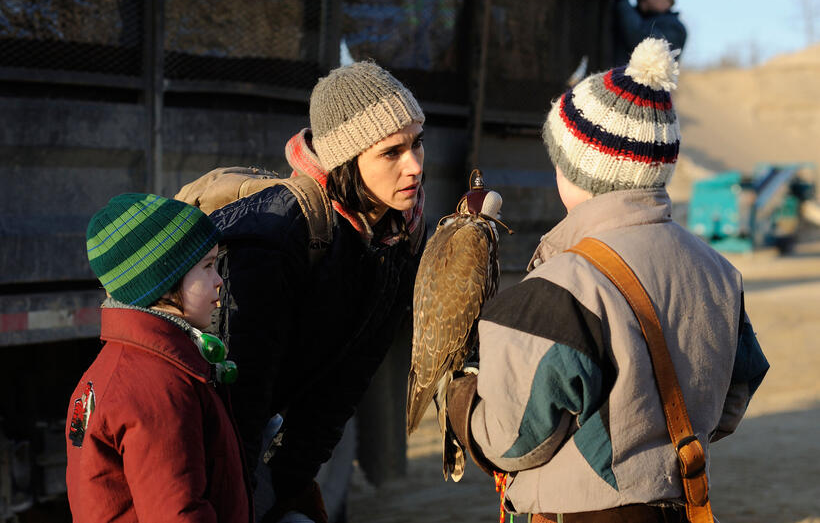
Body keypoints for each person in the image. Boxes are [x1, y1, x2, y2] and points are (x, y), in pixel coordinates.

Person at [445, 38, 769, 522]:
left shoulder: (562, 287)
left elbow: (508, 441)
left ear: (577, 170)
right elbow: (733, 398)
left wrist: (458, 390)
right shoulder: (721, 272)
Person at [209, 60, 426, 523]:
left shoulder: (398, 234)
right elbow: (240, 399)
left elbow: (342, 388)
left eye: (417, 144)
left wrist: (284, 490)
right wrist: (245, 505)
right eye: (392, 152)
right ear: (347, 160)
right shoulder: (275, 235)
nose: (414, 166)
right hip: (209, 449)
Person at [65, 193, 252, 522]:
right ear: (161, 283)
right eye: (207, 267)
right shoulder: (155, 384)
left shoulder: (127, 364)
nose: (219, 281)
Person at [612, 0, 687, 66]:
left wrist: (623, 3)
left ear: (670, 0)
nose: (649, 0)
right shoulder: (632, 19)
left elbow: (643, 41)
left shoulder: (675, 27)